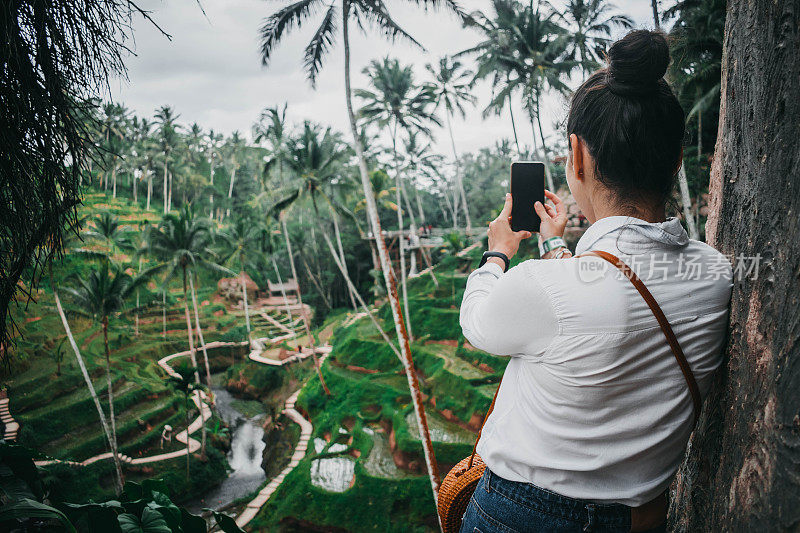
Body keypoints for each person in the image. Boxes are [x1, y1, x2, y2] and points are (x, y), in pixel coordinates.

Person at [458, 30, 732, 533]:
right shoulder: (716, 274)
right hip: (642, 518)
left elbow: (478, 322)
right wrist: (554, 244)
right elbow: (607, 289)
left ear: (577, 155)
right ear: (675, 158)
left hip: (523, 517)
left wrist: (498, 251)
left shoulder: (547, 288)